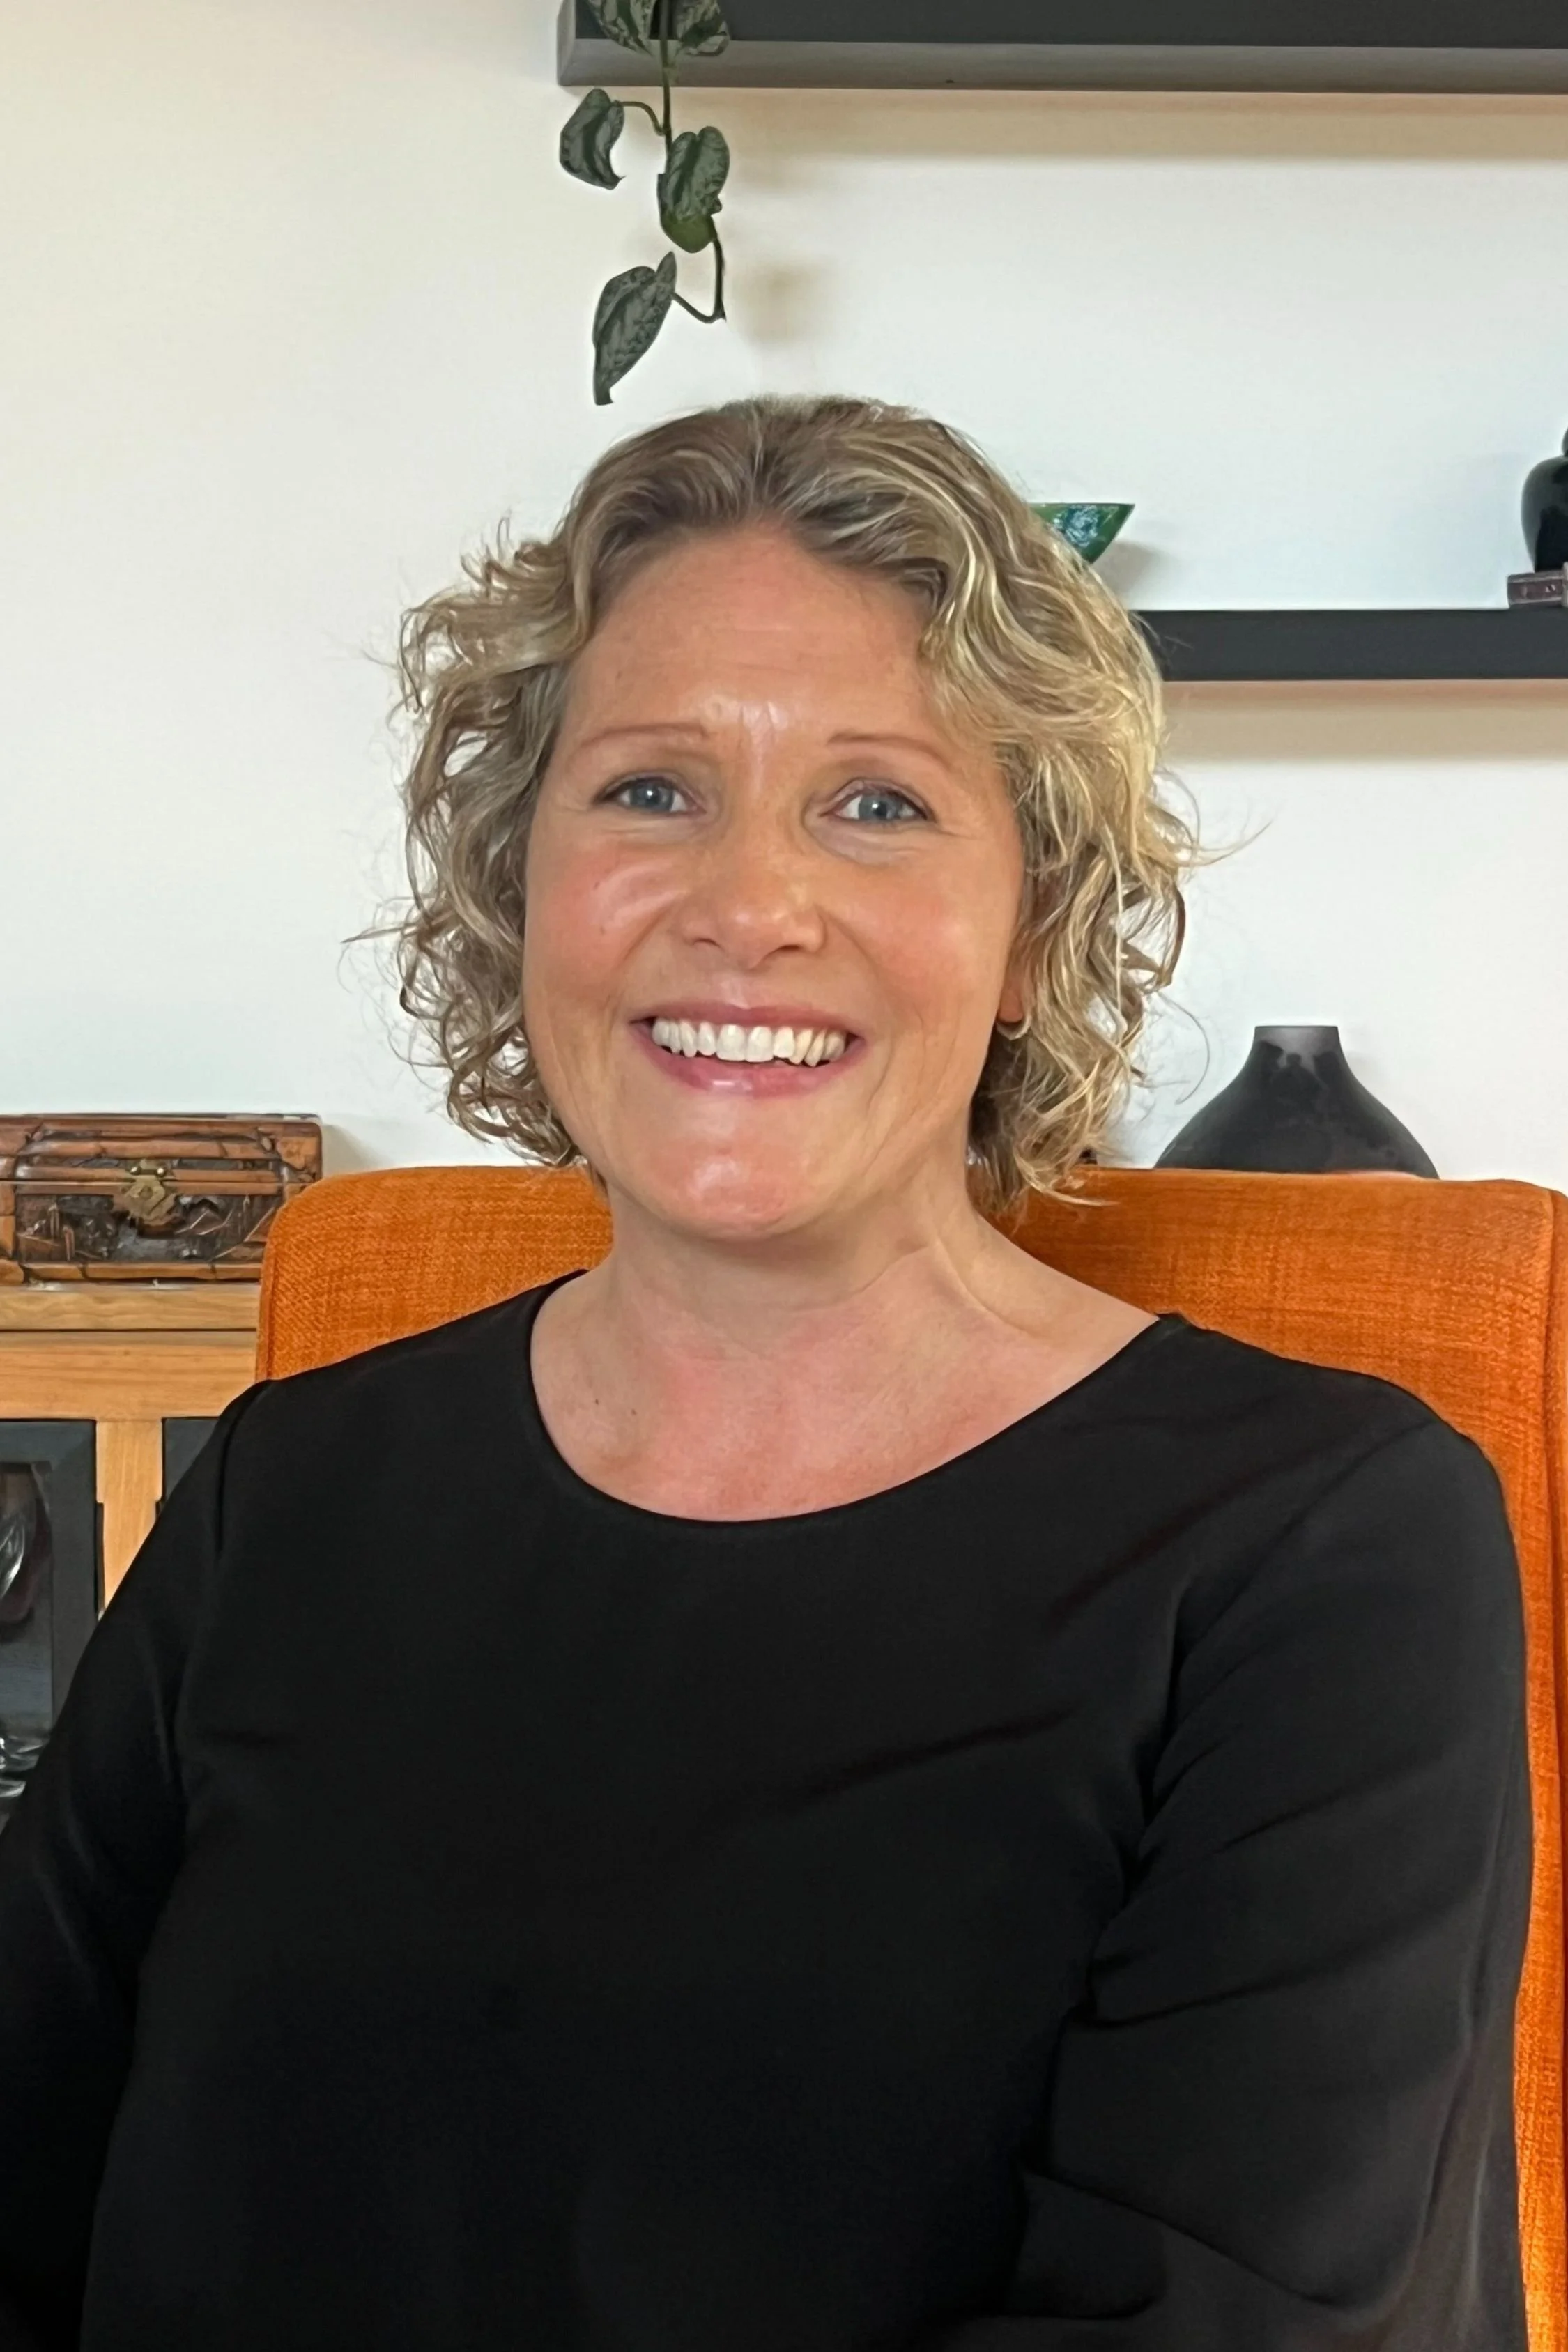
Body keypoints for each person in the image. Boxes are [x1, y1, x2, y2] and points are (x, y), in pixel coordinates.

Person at [0, 394, 1530, 2351]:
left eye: (877, 802)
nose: (746, 904)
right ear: (517, 877)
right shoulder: (288, 1490)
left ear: (1029, 932)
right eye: (649, 789)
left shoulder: (1326, 1550)